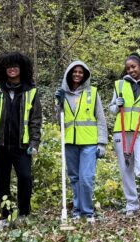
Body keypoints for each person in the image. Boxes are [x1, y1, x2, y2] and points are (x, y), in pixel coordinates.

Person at [0, 52, 42, 224]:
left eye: (15, 66)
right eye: (9, 66)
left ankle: (24, 213)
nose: (12, 69)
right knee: (1, 179)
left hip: (21, 145)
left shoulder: (31, 91)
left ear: (22, 69)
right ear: (4, 69)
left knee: (25, 177)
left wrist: (34, 142)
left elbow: (35, 119)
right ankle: (5, 213)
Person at [108, 53, 140, 224]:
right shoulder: (120, 84)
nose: (131, 70)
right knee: (125, 168)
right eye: (128, 68)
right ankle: (132, 205)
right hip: (121, 131)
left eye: (134, 67)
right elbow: (112, 109)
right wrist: (117, 105)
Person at [54, 61, 108, 223]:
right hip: (70, 141)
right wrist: (59, 104)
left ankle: (87, 211)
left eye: (80, 72)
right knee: (75, 178)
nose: (77, 74)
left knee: (86, 178)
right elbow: (59, 121)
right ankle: (77, 210)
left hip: (89, 142)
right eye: (74, 72)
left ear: (85, 75)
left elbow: (100, 118)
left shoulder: (92, 92)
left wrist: (102, 143)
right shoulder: (62, 93)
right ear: (69, 74)